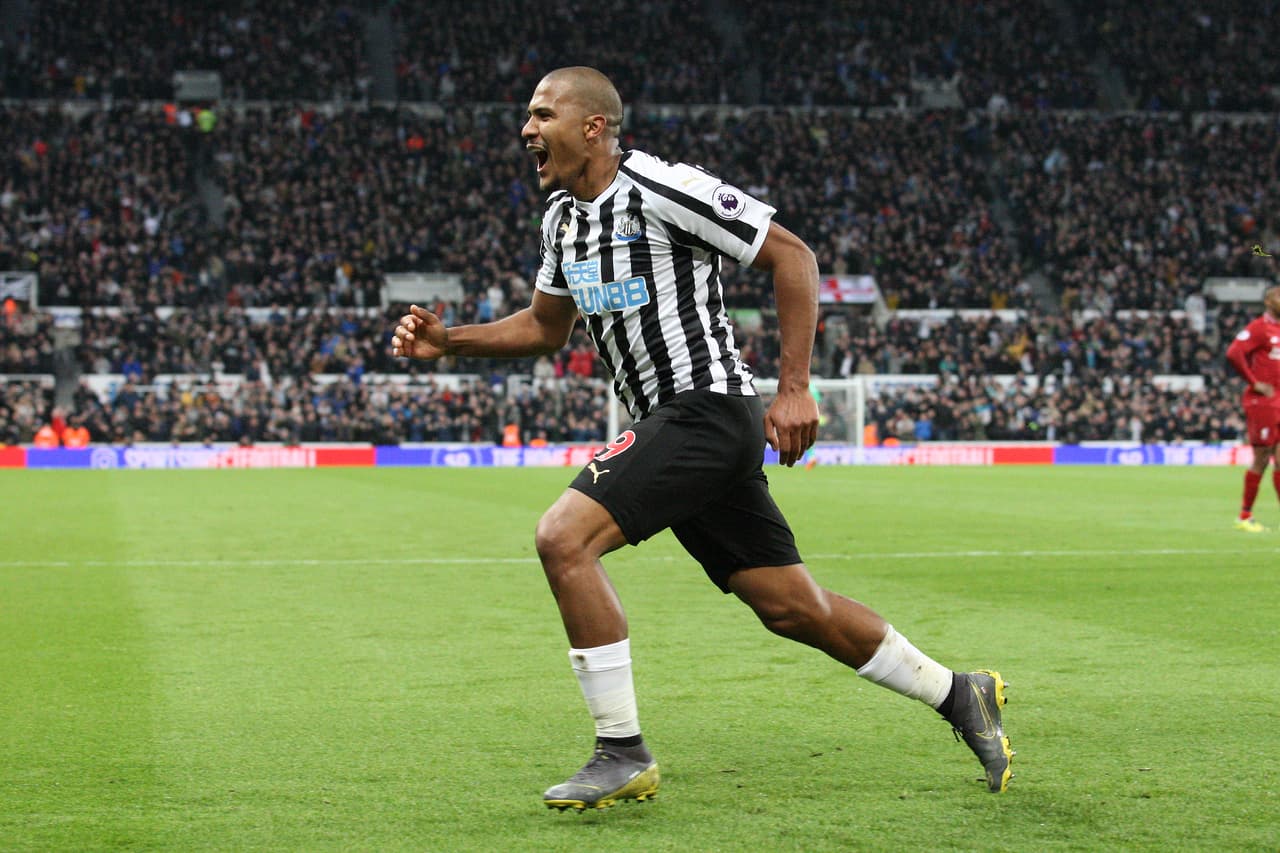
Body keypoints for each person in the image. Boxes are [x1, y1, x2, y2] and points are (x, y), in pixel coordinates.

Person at [391, 66, 1013, 809]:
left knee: (563, 537)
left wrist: (793, 386)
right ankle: (960, 693)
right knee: (790, 605)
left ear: (593, 126)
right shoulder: (562, 220)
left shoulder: (663, 187)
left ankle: (620, 750)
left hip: (707, 408)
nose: (526, 129)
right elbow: (544, 327)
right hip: (669, 425)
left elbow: (793, 255)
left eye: (541, 114)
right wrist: (450, 340)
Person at [1225, 286, 1280, 532]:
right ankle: (1244, 516)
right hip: (1263, 402)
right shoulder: (1259, 327)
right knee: (1261, 457)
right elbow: (1234, 353)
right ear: (1268, 302)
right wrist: (1254, 382)